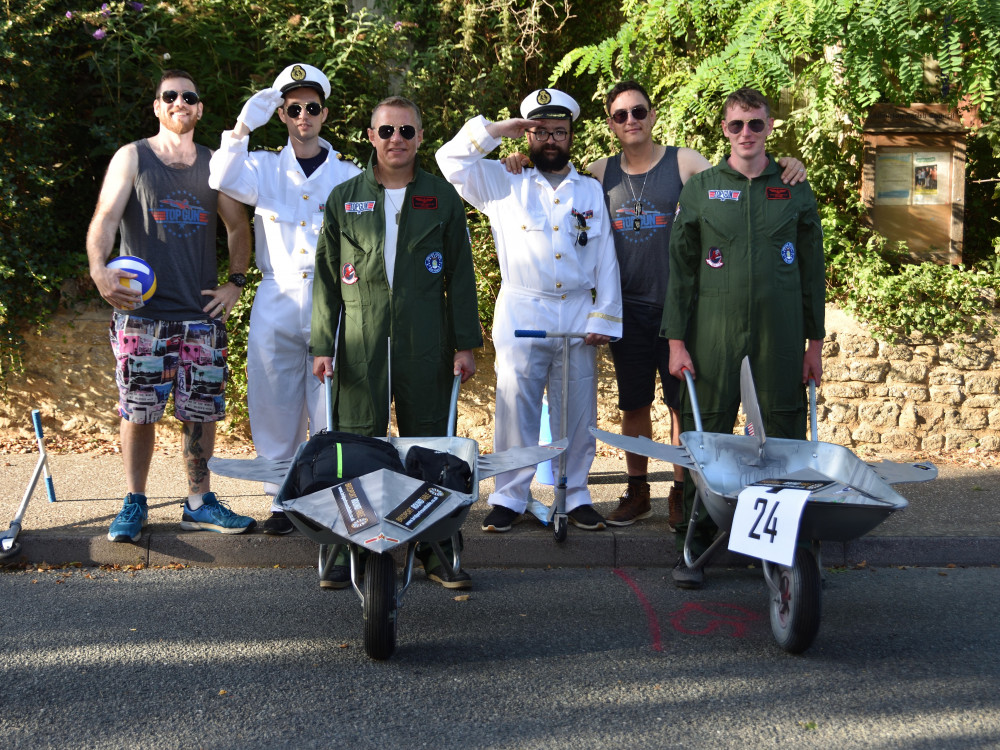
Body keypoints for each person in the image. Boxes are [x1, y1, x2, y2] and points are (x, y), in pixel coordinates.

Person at [504, 81, 806, 530]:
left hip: (681, 312)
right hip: (625, 310)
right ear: (610, 123)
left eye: (639, 112)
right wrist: (520, 159)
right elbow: (554, 180)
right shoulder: (598, 171)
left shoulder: (683, 162)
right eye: (621, 115)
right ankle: (637, 488)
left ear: (653, 115)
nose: (631, 121)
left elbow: (737, 178)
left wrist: (785, 165)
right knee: (633, 404)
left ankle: (681, 491)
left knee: (680, 404)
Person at [311, 96, 482, 589]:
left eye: (407, 132)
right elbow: (325, 280)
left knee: (428, 445)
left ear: (420, 138)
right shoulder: (344, 198)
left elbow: (461, 277)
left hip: (425, 340)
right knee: (356, 445)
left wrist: (464, 343)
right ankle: (347, 545)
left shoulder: (441, 197)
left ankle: (434, 546)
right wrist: (324, 345)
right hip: (360, 342)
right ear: (370, 136)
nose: (396, 141)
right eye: (386, 131)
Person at [436, 89, 623, 534]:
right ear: (528, 134)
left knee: (577, 407)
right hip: (523, 308)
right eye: (541, 131)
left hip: (577, 310)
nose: (551, 140)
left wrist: (604, 316)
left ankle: (574, 492)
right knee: (515, 405)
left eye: (560, 131)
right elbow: (450, 161)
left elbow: (605, 257)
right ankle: (509, 495)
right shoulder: (503, 180)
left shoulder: (590, 191)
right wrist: (498, 133)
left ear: (572, 135)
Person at [662, 87, 825, 589]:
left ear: (770, 126)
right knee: (706, 436)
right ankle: (695, 545)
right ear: (725, 131)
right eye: (737, 125)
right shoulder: (703, 188)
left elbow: (812, 272)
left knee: (781, 436)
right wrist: (676, 342)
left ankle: (781, 547)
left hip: (780, 334)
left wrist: (814, 344)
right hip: (713, 333)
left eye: (755, 124)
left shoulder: (793, 186)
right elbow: (682, 271)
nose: (746, 134)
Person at [87, 69, 256, 543]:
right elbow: (105, 216)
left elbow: (239, 227)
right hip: (142, 313)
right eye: (170, 96)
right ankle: (135, 502)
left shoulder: (214, 164)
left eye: (189, 96)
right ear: (157, 106)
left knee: (200, 412)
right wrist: (99, 270)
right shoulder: (133, 157)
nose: (180, 101)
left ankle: (199, 503)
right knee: (139, 412)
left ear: (199, 108)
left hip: (200, 315)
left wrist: (235, 283)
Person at [209, 63, 361, 535]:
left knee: (331, 403)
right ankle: (281, 499)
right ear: (282, 115)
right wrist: (240, 128)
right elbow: (219, 176)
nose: (303, 116)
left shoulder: (350, 174)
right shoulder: (260, 167)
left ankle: (330, 495)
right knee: (273, 401)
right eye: (293, 108)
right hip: (276, 295)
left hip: (332, 296)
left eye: (311, 108)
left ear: (324, 113)